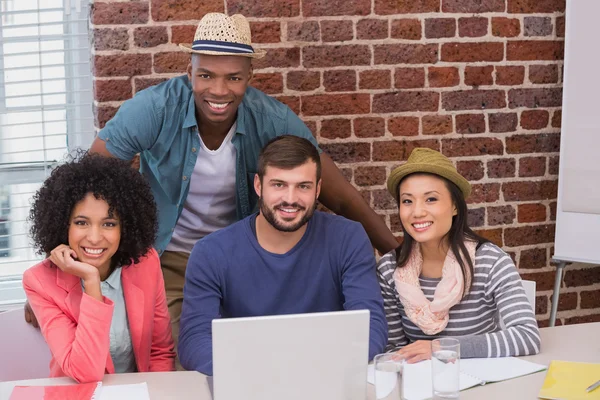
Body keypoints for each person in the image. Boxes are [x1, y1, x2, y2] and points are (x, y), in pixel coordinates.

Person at [82, 12, 397, 346]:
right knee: (181, 356)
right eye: (206, 75)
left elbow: (340, 195)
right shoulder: (155, 109)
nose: (219, 90)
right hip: (170, 255)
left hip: (239, 256)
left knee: (253, 348)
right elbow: (90, 181)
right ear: (189, 73)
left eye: (233, 78)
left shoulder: (271, 119)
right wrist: (55, 272)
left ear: (250, 75)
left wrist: (399, 256)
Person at [178, 135, 388, 375]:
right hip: (246, 383)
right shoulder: (211, 252)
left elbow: (371, 326)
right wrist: (258, 375)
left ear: (318, 189)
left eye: (303, 186)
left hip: (327, 378)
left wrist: (314, 370)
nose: (290, 199)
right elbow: (194, 340)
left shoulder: (348, 239)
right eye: (279, 184)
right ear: (258, 186)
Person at [377, 148, 541, 363]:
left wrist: (440, 348)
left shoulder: (490, 261)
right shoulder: (390, 268)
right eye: (407, 201)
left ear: (455, 206)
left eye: (431, 199)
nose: (417, 212)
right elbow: (394, 348)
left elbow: (527, 337)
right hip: (424, 385)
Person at [23, 153, 175, 382]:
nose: (94, 238)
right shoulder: (40, 281)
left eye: (109, 224)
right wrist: (91, 281)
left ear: (127, 227)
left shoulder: (146, 263)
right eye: (81, 222)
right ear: (63, 224)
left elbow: (160, 352)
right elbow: (85, 372)